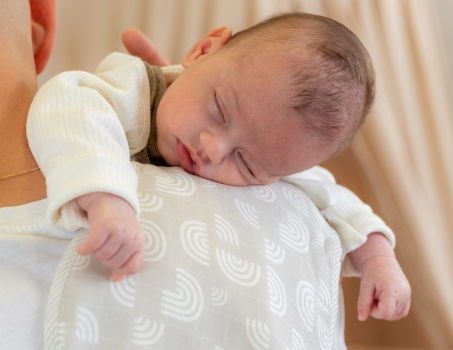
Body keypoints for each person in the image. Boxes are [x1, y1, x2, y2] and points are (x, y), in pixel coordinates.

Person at [27, 12, 411, 322]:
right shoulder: (131, 92)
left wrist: (378, 258)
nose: (213, 149)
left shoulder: (278, 157)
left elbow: (332, 199)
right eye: (220, 110)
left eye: (246, 163)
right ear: (204, 50)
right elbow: (67, 106)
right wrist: (105, 199)